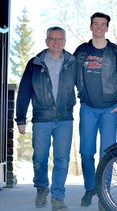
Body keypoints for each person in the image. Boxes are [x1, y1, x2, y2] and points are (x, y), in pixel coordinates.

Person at [74, 12, 117, 208]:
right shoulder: (81, 51)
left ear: (107, 28)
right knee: (86, 152)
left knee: (107, 155)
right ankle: (90, 188)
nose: (99, 27)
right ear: (91, 26)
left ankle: (103, 194)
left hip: (109, 110)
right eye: (95, 24)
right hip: (87, 109)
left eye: (103, 24)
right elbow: (70, 77)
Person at [15, 26, 77, 211]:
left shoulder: (73, 63)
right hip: (41, 118)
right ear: (46, 41)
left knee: (62, 159)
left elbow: (84, 86)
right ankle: (42, 188)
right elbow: (24, 91)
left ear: (64, 42)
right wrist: (20, 118)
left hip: (65, 119)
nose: (56, 42)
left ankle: (58, 196)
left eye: (59, 39)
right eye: (52, 38)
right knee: (40, 158)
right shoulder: (35, 63)